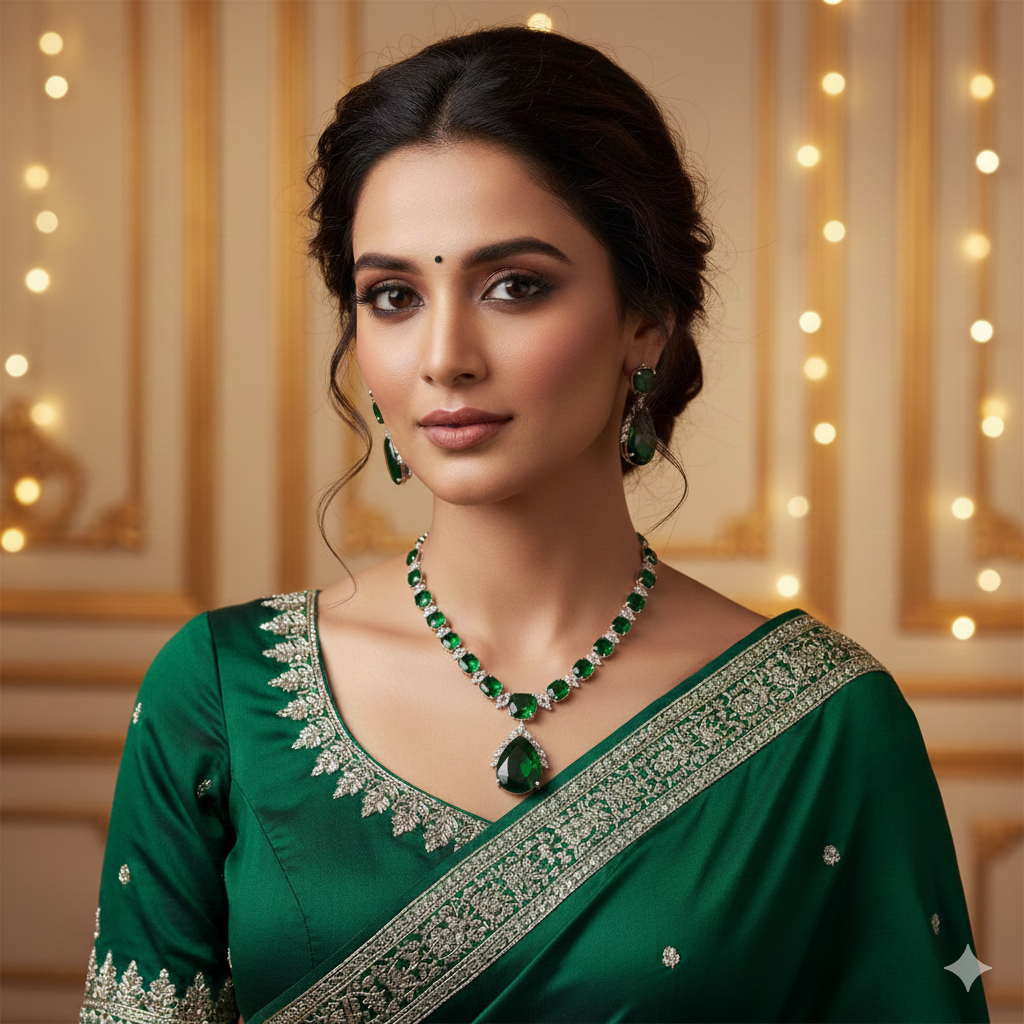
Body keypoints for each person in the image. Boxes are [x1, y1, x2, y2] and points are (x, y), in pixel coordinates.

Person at [80, 26, 988, 1024]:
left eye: (514, 285)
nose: (444, 356)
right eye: (391, 296)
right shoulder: (220, 692)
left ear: (644, 318)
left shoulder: (821, 725)